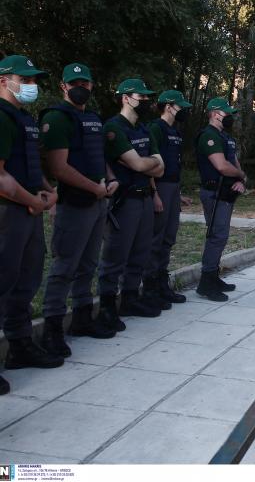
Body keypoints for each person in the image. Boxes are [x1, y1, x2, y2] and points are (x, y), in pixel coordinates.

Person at [39, 63, 118, 358]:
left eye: (85, 83)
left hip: (98, 201)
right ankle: (52, 328)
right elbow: (59, 167)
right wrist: (94, 188)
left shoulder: (93, 119)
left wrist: (110, 179)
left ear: (92, 85)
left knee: (88, 264)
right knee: (64, 267)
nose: (80, 88)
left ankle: (83, 317)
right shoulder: (58, 118)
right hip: (75, 202)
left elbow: (98, 157)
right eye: (75, 83)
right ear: (63, 86)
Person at [0, 55, 61, 394]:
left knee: (26, 279)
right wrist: (32, 201)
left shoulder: (23, 118)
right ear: (3, 81)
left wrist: (49, 194)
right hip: (9, 211)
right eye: (23, 80)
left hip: (28, 208)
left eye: (33, 80)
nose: (30, 86)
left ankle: (20, 345)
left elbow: (30, 166)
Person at [96, 79, 165, 329]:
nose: (146, 102)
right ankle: (106, 306)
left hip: (145, 196)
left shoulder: (144, 130)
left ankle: (129, 298)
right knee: (116, 254)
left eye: (147, 98)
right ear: (126, 98)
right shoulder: (114, 128)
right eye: (141, 97)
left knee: (140, 252)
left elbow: (160, 168)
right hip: (124, 200)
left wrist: (140, 163)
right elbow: (141, 165)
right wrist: (144, 163)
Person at [144, 90, 192, 306]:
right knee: (157, 238)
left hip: (172, 186)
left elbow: (174, 164)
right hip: (160, 186)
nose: (183, 110)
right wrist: (154, 193)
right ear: (169, 106)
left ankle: (162, 282)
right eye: (180, 106)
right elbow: (151, 163)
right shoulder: (156, 128)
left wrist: (178, 193)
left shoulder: (175, 130)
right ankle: (150, 287)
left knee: (169, 237)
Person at [195, 97, 246, 301]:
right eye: (227, 113)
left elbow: (234, 163)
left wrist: (242, 180)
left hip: (227, 192)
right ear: (215, 114)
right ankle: (206, 282)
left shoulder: (225, 137)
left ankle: (213, 276)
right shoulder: (208, 136)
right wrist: (240, 176)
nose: (231, 117)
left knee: (221, 236)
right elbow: (222, 166)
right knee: (216, 236)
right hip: (214, 193)